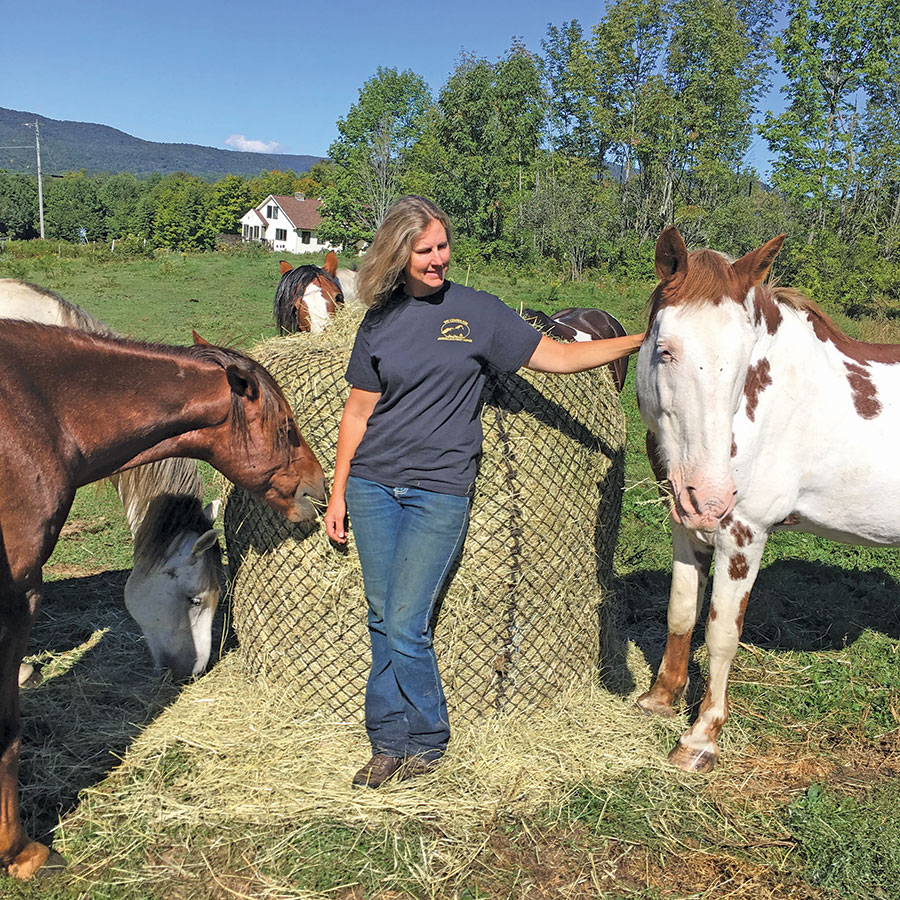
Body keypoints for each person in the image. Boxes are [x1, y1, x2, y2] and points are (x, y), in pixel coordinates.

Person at [324, 196, 644, 789]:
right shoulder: (379, 321)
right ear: (398, 254)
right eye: (425, 251)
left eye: (443, 246)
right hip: (371, 485)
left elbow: (559, 357)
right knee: (379, 618)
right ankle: (386, 741)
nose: (438, 259)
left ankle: (427, 736)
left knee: (405, 620)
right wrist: (340, 489)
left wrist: (636, 342)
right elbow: (357, 412)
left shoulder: (477, 312)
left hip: (438, 490)